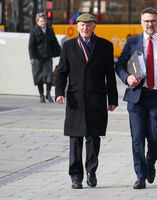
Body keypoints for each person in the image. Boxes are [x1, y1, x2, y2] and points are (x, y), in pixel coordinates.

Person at [115, 7, 157, 189]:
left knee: (156, 138)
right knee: (137, 138)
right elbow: (119, 65)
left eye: (153, 21)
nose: (149, 24)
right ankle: (140, 176)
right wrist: (127, 77)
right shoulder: (132, 42)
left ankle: (150, 163)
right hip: (137, 98)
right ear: (141, 23)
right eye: (146, 21)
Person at [55, 13, 118, 189]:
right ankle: (76, 176)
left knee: (93, 137)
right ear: (77, 27)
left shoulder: (105, 46)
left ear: (94, 26)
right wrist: (59, 92)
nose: (85, 28)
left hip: (97, 98)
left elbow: (110, 76)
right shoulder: (68, 47)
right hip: (75, 99)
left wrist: (112, 99)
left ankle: (91, 171)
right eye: (82, 25)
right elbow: (61, 72)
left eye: (88, 25)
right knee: (75, 138)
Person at [29, 12, 61, 103]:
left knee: (49, 77)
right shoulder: (34, 31)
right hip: (38, 58)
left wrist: (60, 53)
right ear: (37, 22)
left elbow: (54, 42)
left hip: (48, 56)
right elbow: (31, 46)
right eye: (42, 21)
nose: (43, 23)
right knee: (38, 77)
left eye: (45, 21)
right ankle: (41, 95)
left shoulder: (50, 30)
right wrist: (32, 58)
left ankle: (48, 94)